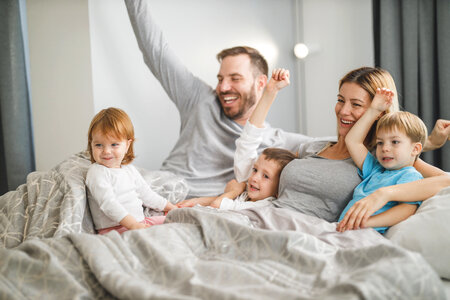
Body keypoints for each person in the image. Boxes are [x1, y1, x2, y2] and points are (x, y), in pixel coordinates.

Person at [124, 0, 318, 198]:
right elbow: (156, 51)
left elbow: (332, 147)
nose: (223, 87)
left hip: (205, 207)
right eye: (220, 79)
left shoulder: (275, 140)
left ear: (261, 83)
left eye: (235, 79)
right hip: (157, 193)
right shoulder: (199, 99)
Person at [234, 66, 450, 224]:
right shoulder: (313, 146)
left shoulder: (382, 160)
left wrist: (384, 194)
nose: (343, 111)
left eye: (356, 104)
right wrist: (270, 93)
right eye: (340, 100)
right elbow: (252, 164)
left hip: (306, 234)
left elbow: (445, 181)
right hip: (258, 218)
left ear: (378, 111)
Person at [336, 88, 427, 233]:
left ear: (415, 149)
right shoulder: (375, 169)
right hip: (344, 230)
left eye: (395, 142)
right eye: (380, 142)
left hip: (365, 232)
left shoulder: (410, 175)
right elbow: (352, 141)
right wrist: (374, 109)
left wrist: (365, 223)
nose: (385, 148)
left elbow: (406, 209)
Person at [85, 108, 177, 235]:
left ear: (127, 145)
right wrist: (133, 225)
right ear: (91, 144)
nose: (106, 151)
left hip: (139, 223)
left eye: (114, 144)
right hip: (115, 228)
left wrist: (171, 207)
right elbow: (108, 203)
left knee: (177, 220)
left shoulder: (129, 170)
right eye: (98, 145)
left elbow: (147, 195)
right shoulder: (97, 172)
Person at [182, 147, 296, 210]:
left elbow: (217, 204)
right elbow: (217, 200)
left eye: (265, 176)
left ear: (278, 190)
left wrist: (233, 191)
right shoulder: (249, 196)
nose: (254, 178)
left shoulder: (263, 206)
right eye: (255, 170)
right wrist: (194, 201)